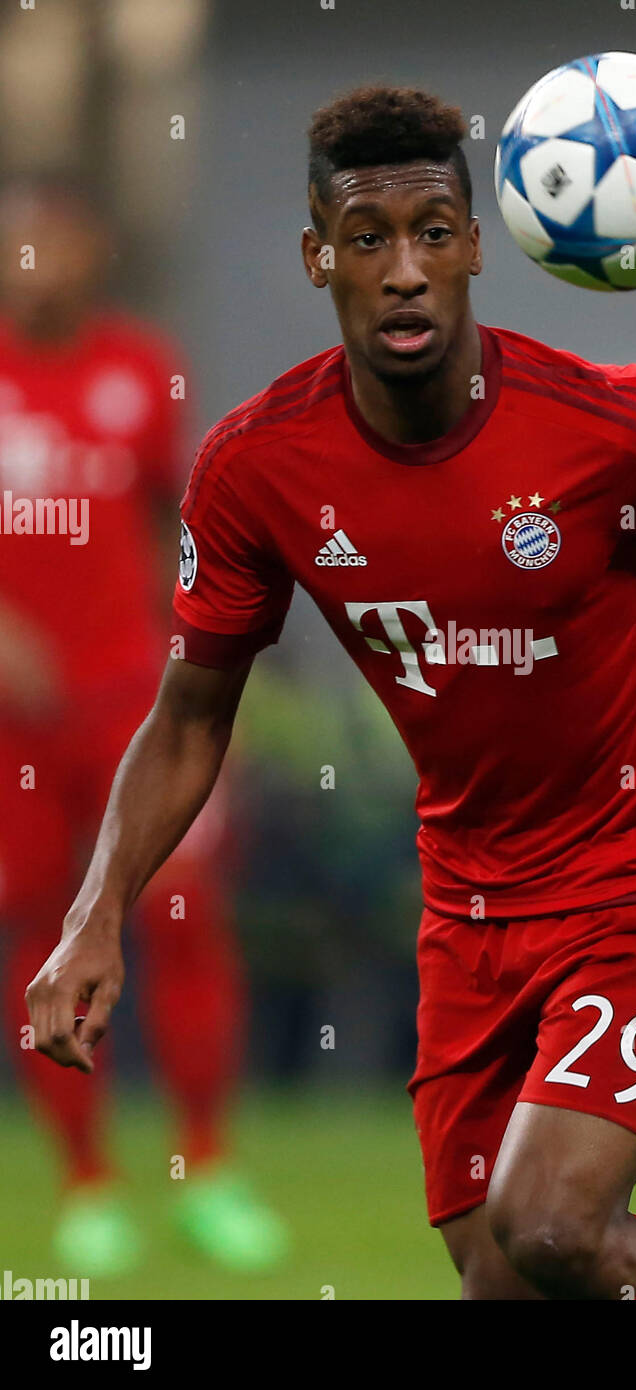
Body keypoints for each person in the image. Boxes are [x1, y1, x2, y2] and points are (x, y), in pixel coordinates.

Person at [25, 88, 636, 1299]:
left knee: (552, 1221)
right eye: (368, 239)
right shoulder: (255, 469)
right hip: (472, 899)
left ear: (475, 246)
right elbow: (191, 713)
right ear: (316, 258)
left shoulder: (603, 425)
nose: (404, 270)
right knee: (501, 1272)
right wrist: (96, 912)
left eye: (434, 233)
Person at [0, 177, 286, 1276]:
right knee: (34, 923)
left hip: (134, 703)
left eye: (50, 242)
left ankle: (206, 1168)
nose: (33, 262)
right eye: (16, 244)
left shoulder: (140, 370)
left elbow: (195, 532)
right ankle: (86, 1186)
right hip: (14, 726)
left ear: (91, 251)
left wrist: (216, 690)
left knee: (180, 912)